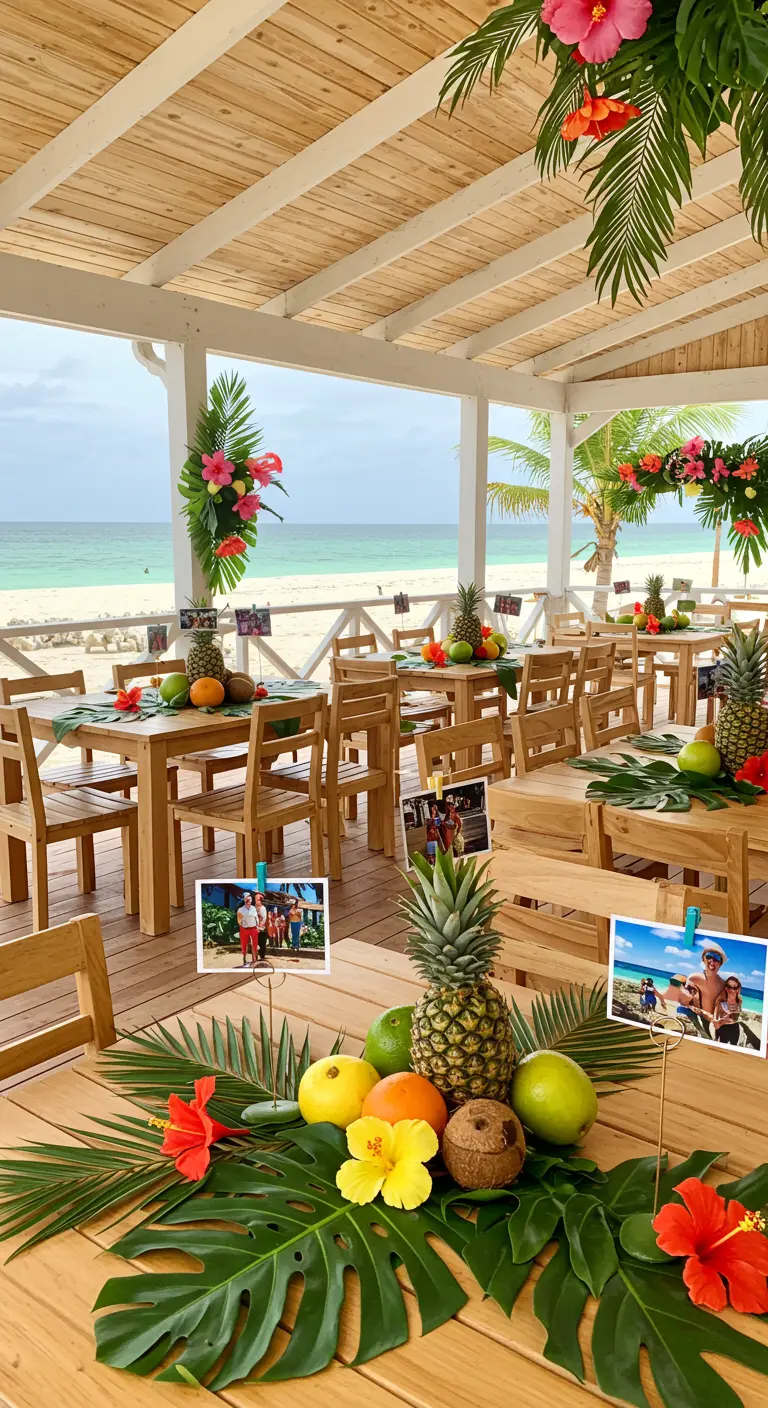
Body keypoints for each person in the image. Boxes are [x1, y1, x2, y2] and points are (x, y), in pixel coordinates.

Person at [686, 942, 728, 1017]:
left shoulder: (723, 984)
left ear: (720, 963)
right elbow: (685, 1001)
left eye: (716, 958)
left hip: (714, 1022)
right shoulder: (694, 978)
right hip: (698, 1018)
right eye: (709, 956)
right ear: (704, 959)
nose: (712, 960)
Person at [714, 977, 743, 1045]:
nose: (731, 990)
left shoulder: (739, 1001)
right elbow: (715, 1021)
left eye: (734, 987)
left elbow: (736, 1017)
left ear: (738, 989)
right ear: (726, 988)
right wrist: (716, 1037)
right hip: (723, 1029)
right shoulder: (721, 1002)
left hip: (735, 1029)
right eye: (729, 986)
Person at [236, 892, 259, 967]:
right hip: (244, 929)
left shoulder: (254, 908)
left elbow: (256, 918)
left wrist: (257, 926)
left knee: (254, 945)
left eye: (250, 898)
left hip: (253, 928)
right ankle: (244, 959)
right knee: (244, 945)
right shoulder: (240, 910)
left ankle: (255, 960)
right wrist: (243, 925)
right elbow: (239, 921)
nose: (249, 900)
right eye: (247, 898)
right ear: (245, 900)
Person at [252, 891, 268, 964]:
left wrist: (259, 928)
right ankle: (255, 958)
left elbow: (263, 919)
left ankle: (262, 957)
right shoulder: (252, 908)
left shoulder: (263, 908)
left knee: (262, 944)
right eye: (256, 898)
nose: (257, 900)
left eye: (258, 899)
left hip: (261, 930)